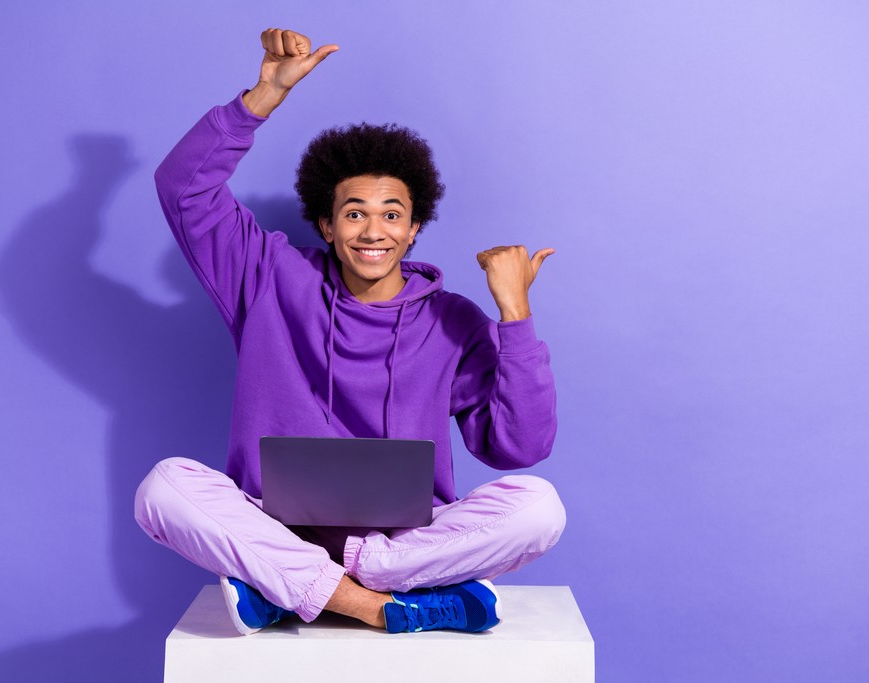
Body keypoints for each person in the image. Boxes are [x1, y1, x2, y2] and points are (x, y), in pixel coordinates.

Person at [134, 27, 566, 635]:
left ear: (414, 229)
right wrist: (263, 95)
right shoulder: (267, 276)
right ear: (327, 224)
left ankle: (297, 589)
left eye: (393, 214)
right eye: (354, 212)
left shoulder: (453, 320)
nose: (373, 231)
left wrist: (514, 317)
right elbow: (182, 188)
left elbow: (517, 448)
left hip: (400, 540)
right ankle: (377, 606)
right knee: (164, 489)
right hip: (274, 526)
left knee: (539, 507)